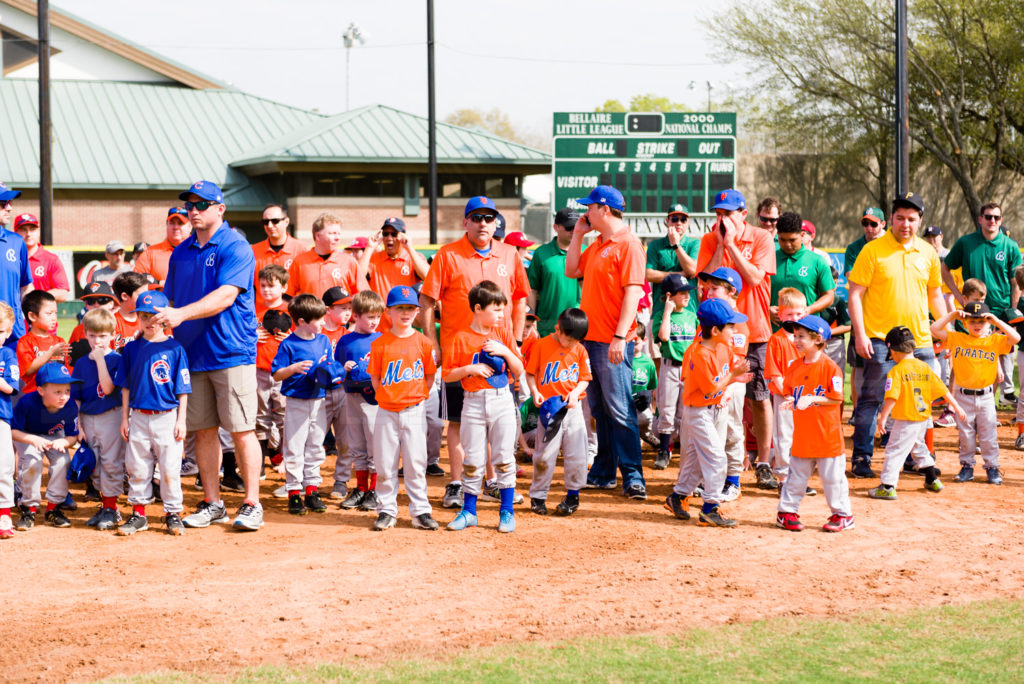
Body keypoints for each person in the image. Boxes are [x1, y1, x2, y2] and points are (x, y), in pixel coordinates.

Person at [157, 180, 263, 532]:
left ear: (221, 209)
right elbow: (170, 301)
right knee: (203, 431)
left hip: (231, 351)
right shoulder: (182, 251)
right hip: (192, 353)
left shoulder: (236, 245)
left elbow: (226, 296)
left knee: (242, 430)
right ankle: (213, 502)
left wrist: (181, 315)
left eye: (202, 204)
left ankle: (251, 503)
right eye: (190, 205)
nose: (194, 210)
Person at [419, 196, 529, 509]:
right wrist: (433, 343)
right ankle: (456, 483)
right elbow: (427, 300)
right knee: (457, 420)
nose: (483, 224)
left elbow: (521, 297)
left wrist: (515, 342)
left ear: (496, 223)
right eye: (476, 217)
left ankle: (493, 482)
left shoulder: (508, 253)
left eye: (489, 218)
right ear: (466, 222)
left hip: (498, 351)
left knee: (497, 419)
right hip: (460, 351)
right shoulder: (448, 254)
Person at [847, 192, 946, 478]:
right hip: (881, 339)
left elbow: (935, 294)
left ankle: (916, 458)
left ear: (920, 221)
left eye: (912, 219)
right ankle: (862, 457)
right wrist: (860, 334)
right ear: (891, 218)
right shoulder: (873, 250)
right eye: (900, 217)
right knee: (873, 398)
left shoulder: (928, 252)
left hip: (920, 341)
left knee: (918, 402)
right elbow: (855, 294)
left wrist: (945, 328)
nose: (905, 223)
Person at [565, 185, 647, 499]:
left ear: (605, 209)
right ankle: (603, 471)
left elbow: (633, 293)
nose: (586, 212)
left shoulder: (628, 243)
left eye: (590, 207)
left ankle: (633, 476)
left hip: (612, 339)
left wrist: (619, 336)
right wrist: (578, 235)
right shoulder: (599, 242)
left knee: (620, 409)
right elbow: (572, 269)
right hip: (591, 339)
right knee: (600, 409)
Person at [696, 188, 777, 484]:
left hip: (753, 330)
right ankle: (726, 460)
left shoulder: (761, 238)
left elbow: (755, 278)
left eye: (728, 213)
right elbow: (704, 280)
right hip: (718, 333)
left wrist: (731, 244)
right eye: (718, 213)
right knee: (718, 395)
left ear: (743, 214)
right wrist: (720, 246)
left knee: (758, 396)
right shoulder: (708, 240)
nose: (722, 219)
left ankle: (764, 462)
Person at [444, 280, 524, 533]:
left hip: (502, 399)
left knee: (503, 456)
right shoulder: (460, 337)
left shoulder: (503, 334)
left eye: (503, 309)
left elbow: (519, 370)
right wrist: (469, 369)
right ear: (478, 308)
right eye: (496, 309)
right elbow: (447, 375)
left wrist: (506, 352)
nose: (502, 315)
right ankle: (469, 512)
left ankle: (507, 512)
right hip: (473, 402)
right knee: (474, 459)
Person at [663, 298, 751, 527]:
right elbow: (712, 386)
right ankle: (710, 507)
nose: (734, 330)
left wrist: (735, 376)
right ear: (715, 330)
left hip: (713, 408)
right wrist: (732, 377)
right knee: (716, 457)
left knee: (695, 460)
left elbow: (727, 371)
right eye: (730, 326)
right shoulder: (699, 354)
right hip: (699, 412)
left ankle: (678, 496)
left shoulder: (722, 346)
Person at [114, 290, 191, 536]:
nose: (148, 321)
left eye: (154, 316)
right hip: (138, 415)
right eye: (143, 316)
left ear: (165, 318)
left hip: (167, 416)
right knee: (137, 467)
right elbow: (125, 387)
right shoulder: (132, 349)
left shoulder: (175, 348)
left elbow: (183, 388)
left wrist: (182, 419)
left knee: (169, 468)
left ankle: (173, 513)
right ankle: (139, 514)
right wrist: (125, 418)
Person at [366, 285, 439, 531]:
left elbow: (429, 376)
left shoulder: (424, 342)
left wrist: (417, 396)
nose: (405, 313)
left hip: (414, 409)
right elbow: (375, 377)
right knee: (386, 464)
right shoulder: (380, 343)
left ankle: (420, 511)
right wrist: (386, 397)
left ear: (417, 311)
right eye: (400, 308)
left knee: (416, 463)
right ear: (389, 312)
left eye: (410, 308)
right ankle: (387, 510)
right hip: (386, 410)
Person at [776, 315, 854, 533]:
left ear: (818, 338)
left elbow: (837, 398)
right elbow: (791, 393)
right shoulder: (794, 367)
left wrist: (812, 399)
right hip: (803, 435)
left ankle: (843, 515)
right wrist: (792, 400)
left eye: (802, 336)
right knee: (796, 478)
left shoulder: (830, 368)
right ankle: (786, 512)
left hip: (827, 436)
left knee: (833, 480)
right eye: (795, 335)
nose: (796, 340)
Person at [868, 326, 963, 499]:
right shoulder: (924, 367)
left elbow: (891, 398)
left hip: (906, 419)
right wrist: (956, 406)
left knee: (894, 450)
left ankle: (888, 486)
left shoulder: (896, 370)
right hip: (923, 418)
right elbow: (943, 390)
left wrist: (882, 419)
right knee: (918, 446)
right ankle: (932, 478)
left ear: (893, 351)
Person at [941, 202, 1022, 404]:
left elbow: (1015, 283)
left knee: (993, 359)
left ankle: (988, 405)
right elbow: (945, 269)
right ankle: (953, 408)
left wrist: (1012, 310)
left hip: (999, 311)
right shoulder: (966, 242)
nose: (992, 221)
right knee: (961, 357)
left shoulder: (1010, 246)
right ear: (980, 219)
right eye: (988, 217)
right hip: (971, 312)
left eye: (996, 217)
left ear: (1001, 220)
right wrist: (959, 297)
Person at [931, 302, 1018, 485]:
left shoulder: (994, 340)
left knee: (988, 435)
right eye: (972, 321)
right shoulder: (958, 338)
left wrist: (996, 321)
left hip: (986, 397)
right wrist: (952, 315)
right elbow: (934, 329)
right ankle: (967, 466)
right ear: (965, 322)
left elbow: (1016, 338)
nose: (977, 325)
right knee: (966, 435)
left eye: (981, 321)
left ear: (988, 323)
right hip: (963, 397)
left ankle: (992, 467)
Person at [525, 307, 591, 516]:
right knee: (544, 456)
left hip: (573, 410)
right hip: (550, 410)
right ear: (558, 330)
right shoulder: (542, 345)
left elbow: (584, 379)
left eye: (576, 341)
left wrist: (576, 392)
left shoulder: (580, 350)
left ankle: (573, 496)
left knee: (577, 455)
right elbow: (530, 374)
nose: (572, 344)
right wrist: (535, 391)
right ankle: (538, 496)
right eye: (569, 339)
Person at [272, 294, 332, 517]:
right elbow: (277, 374)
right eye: (318, 319)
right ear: (302, 322)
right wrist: (294, 368)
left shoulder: (323, 340)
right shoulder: (289, 344)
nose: (323, 323)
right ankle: (294, 491)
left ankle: (312, 488)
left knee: (316, 445)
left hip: (319, 399)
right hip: (297, 400)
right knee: (295, 447)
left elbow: (329, 365)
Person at [72, 308, 125, 531]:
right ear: (85, 334)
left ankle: (112, 508)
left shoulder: (116, 360)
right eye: (92, 336)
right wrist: (79, 424)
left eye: (103, 335)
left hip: (111, 416)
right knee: (93, 466)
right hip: (88, 418)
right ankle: (105, 506)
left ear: (113, 334)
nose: (97, 341)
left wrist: (101, 360)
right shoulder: (82, 363)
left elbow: (108, 387)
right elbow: (76, 398)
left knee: (111, 462)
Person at [12, 362, 81, 530]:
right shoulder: (27, 403)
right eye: (57, 392)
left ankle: (53, 508)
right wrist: (33, 440)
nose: (64, 396)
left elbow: (73, 436)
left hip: (54, 436)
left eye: (67, 391)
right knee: (32, 461)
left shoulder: (70, 406)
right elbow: (13, 431)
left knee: (62, 461)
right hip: (26, 435)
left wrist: (64, 442)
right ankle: (29, 508)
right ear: (41, 391)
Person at [336, 291, 384, 512]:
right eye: (369, 317)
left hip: (375, 400)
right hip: (352, 396)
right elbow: (335, 369)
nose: (374, 321)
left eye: (377, 317)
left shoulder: (383, 338)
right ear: (355, 316)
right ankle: (361, 489)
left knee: (375, 445)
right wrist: (342, 370)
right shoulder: (345, 340)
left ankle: (374, 491)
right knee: (357, 444)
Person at [645, 203, 700, 363]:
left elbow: (691, 270)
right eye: (674, 219)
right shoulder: (656, 245)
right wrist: (679, 274)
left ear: (688, 223)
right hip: (661, 311)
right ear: (667, 221)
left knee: (688, 361)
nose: (679, 223)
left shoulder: (694, 244)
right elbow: (648, 274)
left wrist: (676, 245)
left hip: (687, 313)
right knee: (659, 361)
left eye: (683, 219)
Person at [653, 274, 697, 469]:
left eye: (688, 292)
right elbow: (662, 336)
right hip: (669, 367)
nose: (687, 296)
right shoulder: (661, 316)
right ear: (670, 296)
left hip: (689, 369)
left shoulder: (691, 315)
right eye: (682, 293)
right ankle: (664, 449)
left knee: (684, 412)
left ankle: (682, 449)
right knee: (667, 410)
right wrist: (667, 313)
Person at [357, 217, 430, 332]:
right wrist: (370, 248)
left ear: (402, 236)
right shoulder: (374, 258)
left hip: (406, 328)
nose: (389, 238)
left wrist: (409, 248)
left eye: (394, 234)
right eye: (386, 234)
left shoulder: (413, 257)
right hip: (378, 328)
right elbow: (358, 277)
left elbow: (428, 277)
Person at [254, 264, 290, 471]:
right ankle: (259, 464)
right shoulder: (254, 311)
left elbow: (303, 339)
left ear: (283, 287)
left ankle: (285, 457)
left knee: (284, 416)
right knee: (260, 417)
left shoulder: (290, 311)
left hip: (283, 373)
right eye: (263, 285)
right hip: (259, 371)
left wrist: (291, 338)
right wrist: (251, 336)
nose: (267, 290)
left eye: (272, 286)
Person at [771, 212, 835, 325]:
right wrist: (767, 310)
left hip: (807, 332)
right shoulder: (769, 259)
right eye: (782, 240)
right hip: (774, 333)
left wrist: (808, 310)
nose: (787, 244)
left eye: (792, 240)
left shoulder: (817, 261)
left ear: (802, 235)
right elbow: (756, 293)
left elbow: (829, 296)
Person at [528, 208, 582, 337]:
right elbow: (532, 289)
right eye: (569, 227)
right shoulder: (541, 253)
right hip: (547, 327)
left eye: (576, 227)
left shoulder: (586, 252)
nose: (573, 231)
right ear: (556, 227)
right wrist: (533, 320)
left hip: (577, 326)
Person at [288, 213, 363, 299]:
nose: (337, 237)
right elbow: (288, 295)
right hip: (309, 312)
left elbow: (362, 295)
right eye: (332, 233)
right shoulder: (299, 262)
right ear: (318, 236)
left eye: (339, 234)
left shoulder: (349, 261)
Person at [252, 204, 306, 310]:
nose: (270, 225)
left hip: (292, 316)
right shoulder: (253, 251)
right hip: (261, 316)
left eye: (275, 221)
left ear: (286, 221)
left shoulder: (302, 250)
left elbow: (305, 287)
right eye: (265, 222)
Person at [0, 183, 34, 350]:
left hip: (14, 333)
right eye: (4, 203)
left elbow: (25, 287)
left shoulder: (16, 242)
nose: (10, 208)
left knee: (17, 376)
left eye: (10, 203)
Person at [17, 290, 70, 395]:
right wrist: (50, 354)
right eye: (49, 314)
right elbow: (27, 369)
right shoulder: (25, 342)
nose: (54, 318)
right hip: (34, 397)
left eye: (55, 313)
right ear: (32, 316)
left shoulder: (59, 341)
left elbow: (67, 370)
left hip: (58, 397)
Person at [14, 213, 70, 303]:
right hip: (13, 315)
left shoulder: (51, 259)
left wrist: (36, 298)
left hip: (39, 315)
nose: (28, 234)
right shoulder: (8, 258)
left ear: (38, 231)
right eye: (23, 229)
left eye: (32, 229)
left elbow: (62, 293)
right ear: (15, 233)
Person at [133, 208, 190, 287]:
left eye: (180, 223)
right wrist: (158, 284)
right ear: (167, 225)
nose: (175, 227)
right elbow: (135, 284)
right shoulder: (149, 253)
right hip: (161, 298)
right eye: (172, 223)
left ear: (190, 226)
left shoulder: (200, 250)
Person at [0, 303, 19, 539]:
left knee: (3, 467)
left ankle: (4, 513)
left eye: (2, 331)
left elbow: (10, 387)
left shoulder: (7, 354)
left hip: (1, 418)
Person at [111, 272, 151, 353]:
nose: (146, 298)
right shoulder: (111, 323)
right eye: (141, 295)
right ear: (125, 296)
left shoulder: (150, 319)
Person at [844, 207, 887, 278]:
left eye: (873, 224)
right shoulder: (853, 249)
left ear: (883, 224)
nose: (869, 228)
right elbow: (851, 280)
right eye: (865, 223)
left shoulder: (893, 242)